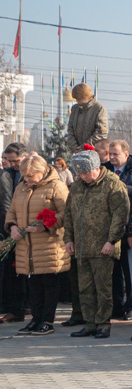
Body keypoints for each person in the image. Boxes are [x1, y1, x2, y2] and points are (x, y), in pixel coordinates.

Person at [63, 149, 129, 340]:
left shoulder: (113, 185)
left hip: (103, 248)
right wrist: (68, 239)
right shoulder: (77, 186)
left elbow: (120, 215)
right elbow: (69, 214)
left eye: (85, 173)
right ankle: (89, 323)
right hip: (82, 247)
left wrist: (112, 240)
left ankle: (103, 324)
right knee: (84, 288)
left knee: (103, 288)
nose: (82, 176)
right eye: (79, 173)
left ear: (96, 168)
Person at [6, 154, 69, 334]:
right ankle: (35, 319)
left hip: (49, 245)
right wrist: (12, 227)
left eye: (30, 176)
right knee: (33, 285)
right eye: (24, 176)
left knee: (49, 283)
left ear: (42, 172)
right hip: (27, 246)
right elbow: (12, 211)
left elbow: (67, 212)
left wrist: (47, 225)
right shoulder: (21, 188)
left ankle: (47, 320)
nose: (27, 179)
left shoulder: (56, 186)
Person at [106, 140, 132, 321]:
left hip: (128, 230)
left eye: (116, 154)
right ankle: (117, 305)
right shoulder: (104, 170)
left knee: (130, 271)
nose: (112, 157)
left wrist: (131, 232)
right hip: (109, 231)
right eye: (110, 154)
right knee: (113, 271)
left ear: (126, 155)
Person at [0, 143, 28, 323]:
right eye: (8, 161)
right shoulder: (6, 175)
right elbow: (6, 205)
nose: (11, 164)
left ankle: (28, 308)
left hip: (29, 229)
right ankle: (14, 310)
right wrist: (10, 227)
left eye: (15, 161)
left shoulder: (34, 175)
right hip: (10, 231)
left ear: (24, 157)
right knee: (11, 273)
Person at [65, 83, 108, 152]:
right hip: (77, 151)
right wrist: (74, 146)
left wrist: (85, 146)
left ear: (84, 96)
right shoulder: (75, 109)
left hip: (93, 151)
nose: (77, 101)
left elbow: (101, 132)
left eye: (78, 99)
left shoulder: (99, 109)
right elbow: (70, 129)